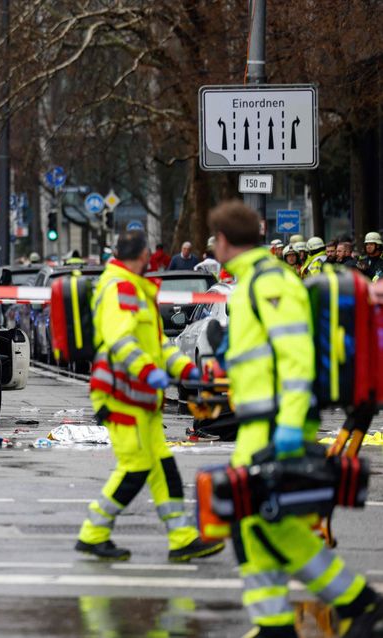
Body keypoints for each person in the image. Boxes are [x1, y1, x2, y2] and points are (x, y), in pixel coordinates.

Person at [210, 200, 383, 637]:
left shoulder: (268, 283)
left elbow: (295, 355)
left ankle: (358, 602)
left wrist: (288, 423)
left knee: (255, 519)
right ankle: (277, 624)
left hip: (275, 421)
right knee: (257, 521)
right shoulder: (255, 281)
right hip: (261, 420)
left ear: (225, 241)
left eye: (216, 239)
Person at [75, 229, 224, 563]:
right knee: (136, 467)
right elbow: (121, 342)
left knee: (163, 467)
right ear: (143, 256)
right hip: (120, 395)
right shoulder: (121, 288)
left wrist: (187, 371)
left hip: (139, 396)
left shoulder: (138, 289)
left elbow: (158, 346)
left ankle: (182, 539)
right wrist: (151, 373)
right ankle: (92, 534)